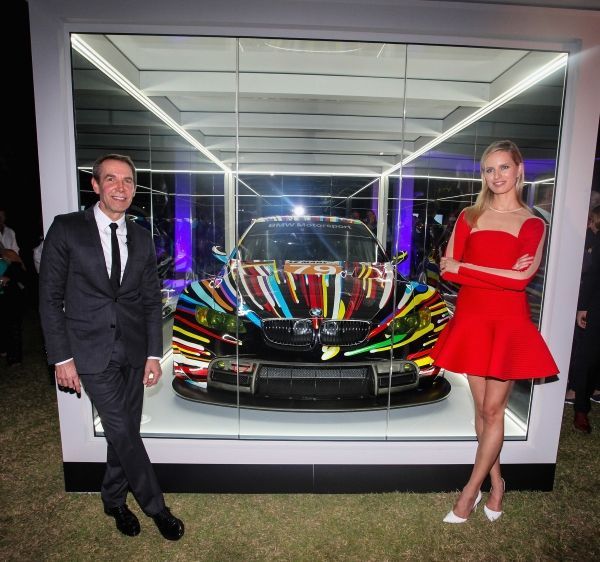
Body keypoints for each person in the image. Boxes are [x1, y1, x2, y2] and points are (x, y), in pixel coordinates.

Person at [38, 154, 184, 540]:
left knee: (124, 432)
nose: (121, 187)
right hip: (89, 351)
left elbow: (150, 300)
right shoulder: (67, 229)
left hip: (134, 351)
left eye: (128, 181)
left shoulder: (141, 237)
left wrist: (153, 354)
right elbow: (49, 299)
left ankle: (114, 499)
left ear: (134, 188)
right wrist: (61, 358)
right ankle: (157, 507)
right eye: (111, 179)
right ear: (96, 185)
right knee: (122, 428)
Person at [430, 140, 558, 523]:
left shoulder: (533, 223)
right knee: (482, 412)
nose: (496, 175)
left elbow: (520, 280)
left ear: (519, 170)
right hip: (472, 320)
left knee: (493, 410)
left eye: (504, 167)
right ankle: (498, 484)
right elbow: (448, 270)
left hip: (506, 323)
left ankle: (469, 492)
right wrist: (490, 272)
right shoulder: (470, 216)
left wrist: (468, 267)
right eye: (489, 169)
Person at [570, 205, 600, 433]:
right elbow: (593, 275)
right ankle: (581, 408)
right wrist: (583, 307)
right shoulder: (595, 240)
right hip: (596, 304)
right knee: (588, 356)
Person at [0, 247, 26, 366]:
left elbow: (21, 273)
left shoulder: (10, 258)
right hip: (7, 299)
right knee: (7, 327)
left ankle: (14, 357)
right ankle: (7, 351)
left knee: (13, 327)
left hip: (11, 299)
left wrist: (8, 279)